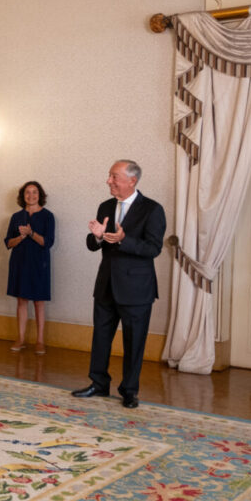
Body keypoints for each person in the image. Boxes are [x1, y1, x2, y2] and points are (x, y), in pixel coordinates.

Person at [72, 160, 165, 409]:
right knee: (101, 337)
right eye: (109, 176)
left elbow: (153, 248)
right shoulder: (105, 205)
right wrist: (98, 237)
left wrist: (125, 240)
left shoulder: (152, 209)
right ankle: (98, 384)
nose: (108, 181)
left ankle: (129, 391)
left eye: (114, 177)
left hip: (136, 290)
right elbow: (94, 245)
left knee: (134, 342)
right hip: (106, 285)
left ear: (131, 180)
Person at [4, 181, 55, 354]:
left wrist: (31, 233)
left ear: (40, 195)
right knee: (21, 301)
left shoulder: (48, 216)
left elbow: (47, 243)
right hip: (19, 262)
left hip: (39, 263)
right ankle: (21, 338)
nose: (31, 196)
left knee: (39, 302)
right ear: (23, 195)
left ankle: (40, 341)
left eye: (34, 192)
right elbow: (8, 242)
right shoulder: (16, 217)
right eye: (27, 192)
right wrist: (21, 236)